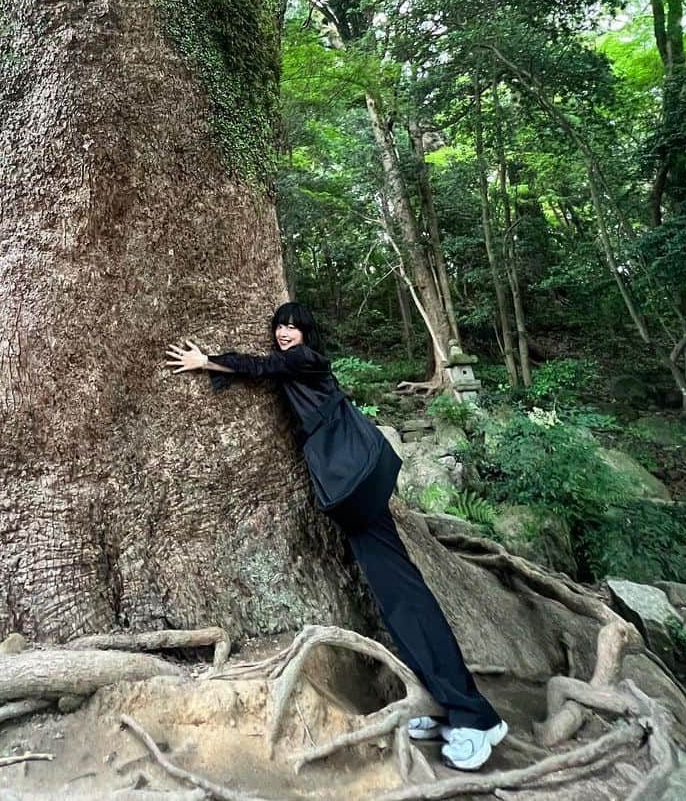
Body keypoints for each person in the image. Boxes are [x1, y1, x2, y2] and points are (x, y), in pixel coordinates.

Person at [166, 301, 508, 772]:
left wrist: (207, 361)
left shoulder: (306, 359)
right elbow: (270, 372)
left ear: (307, 332)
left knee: (406, 602)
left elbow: (263, 366)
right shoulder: (299, 369)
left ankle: (475, 717)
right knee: (395, 600)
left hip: (356, 488)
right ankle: (442, 702)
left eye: (293, 326)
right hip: (356, 493)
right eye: (279, 326)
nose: (285, 332)